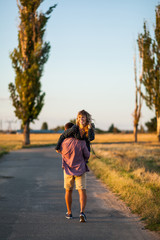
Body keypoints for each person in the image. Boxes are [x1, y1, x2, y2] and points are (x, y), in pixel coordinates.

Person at [58, 122, 90, 222]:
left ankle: (69, 213)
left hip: (68, 170)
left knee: (68, 190)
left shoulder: (63, 142)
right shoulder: (81, 142)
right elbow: (87, 155)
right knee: (82, 190)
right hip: (80, 169)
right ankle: (82, 212)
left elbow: (60, 152)